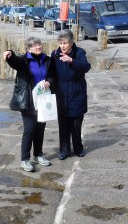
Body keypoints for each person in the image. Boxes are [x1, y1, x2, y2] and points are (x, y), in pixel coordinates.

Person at [3, 37, 53, 172]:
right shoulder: (24, 60)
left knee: (40, 129)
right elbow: (15, 62)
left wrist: (49, 82)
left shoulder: (47, 60)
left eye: (39, 44)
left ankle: (38, 154)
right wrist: (10, 54)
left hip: (42, 99)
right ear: (29, 48)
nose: (38, 47)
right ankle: (25, 159)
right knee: (29, 130)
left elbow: (52, 75)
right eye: (35, 45)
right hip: (28, 101)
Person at [50, 29, 91, 160]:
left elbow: (86, 67)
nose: (62, 46)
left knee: (76, 124)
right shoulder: (55, 54)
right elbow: (51, 73)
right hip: (61, 94)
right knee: (63, 125)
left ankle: (78, 148)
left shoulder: (80, 53)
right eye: (60, 43)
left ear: (71, 43)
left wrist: (71, 60)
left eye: (65, 43)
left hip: (76, 93)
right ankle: (64, 150)